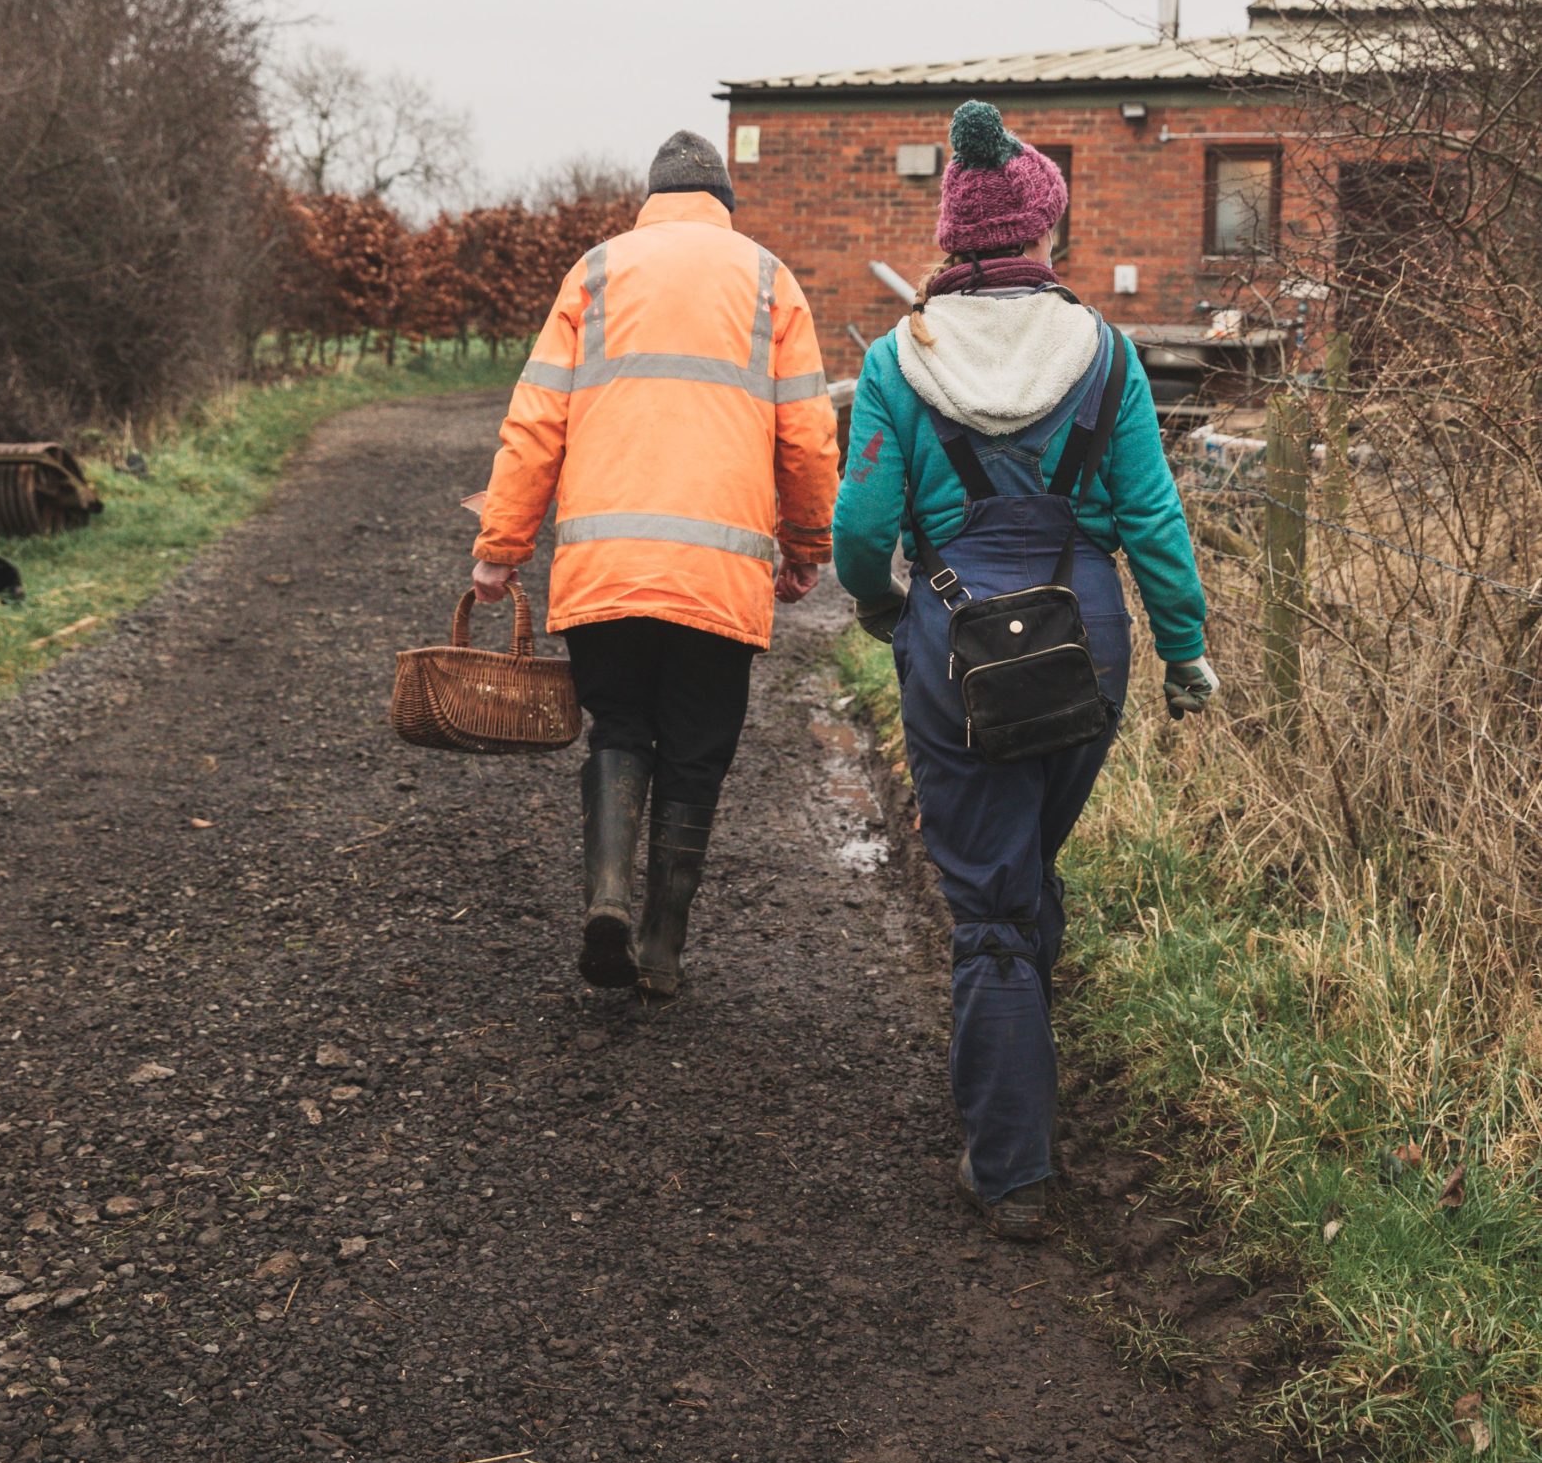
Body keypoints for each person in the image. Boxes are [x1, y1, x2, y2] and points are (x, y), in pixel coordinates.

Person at [833, 101, 1216, 1239]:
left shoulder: (901, 358)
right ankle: (1022, 1068)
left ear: (953, 239)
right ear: (1042, 233)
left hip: (957, 641)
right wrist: (1186, 655)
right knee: (1023, 860)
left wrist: (880, 603)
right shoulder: (1107, 351)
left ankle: (1010, 1168)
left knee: (991, 896)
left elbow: (863, 523)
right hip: (1085, 639)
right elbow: (1151, 518)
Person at [473, 130, 840, 998]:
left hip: (607, 562)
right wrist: (805, 546)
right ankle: (663, 943)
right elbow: (808, 438)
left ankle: (605, 895)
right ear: (723, 203)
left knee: (618, 727)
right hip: (717, 574)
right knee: (697, 752)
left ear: (650, 198)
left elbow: (535, 425)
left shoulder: (596, 272)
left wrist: (501, 547)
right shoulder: (766, 279)